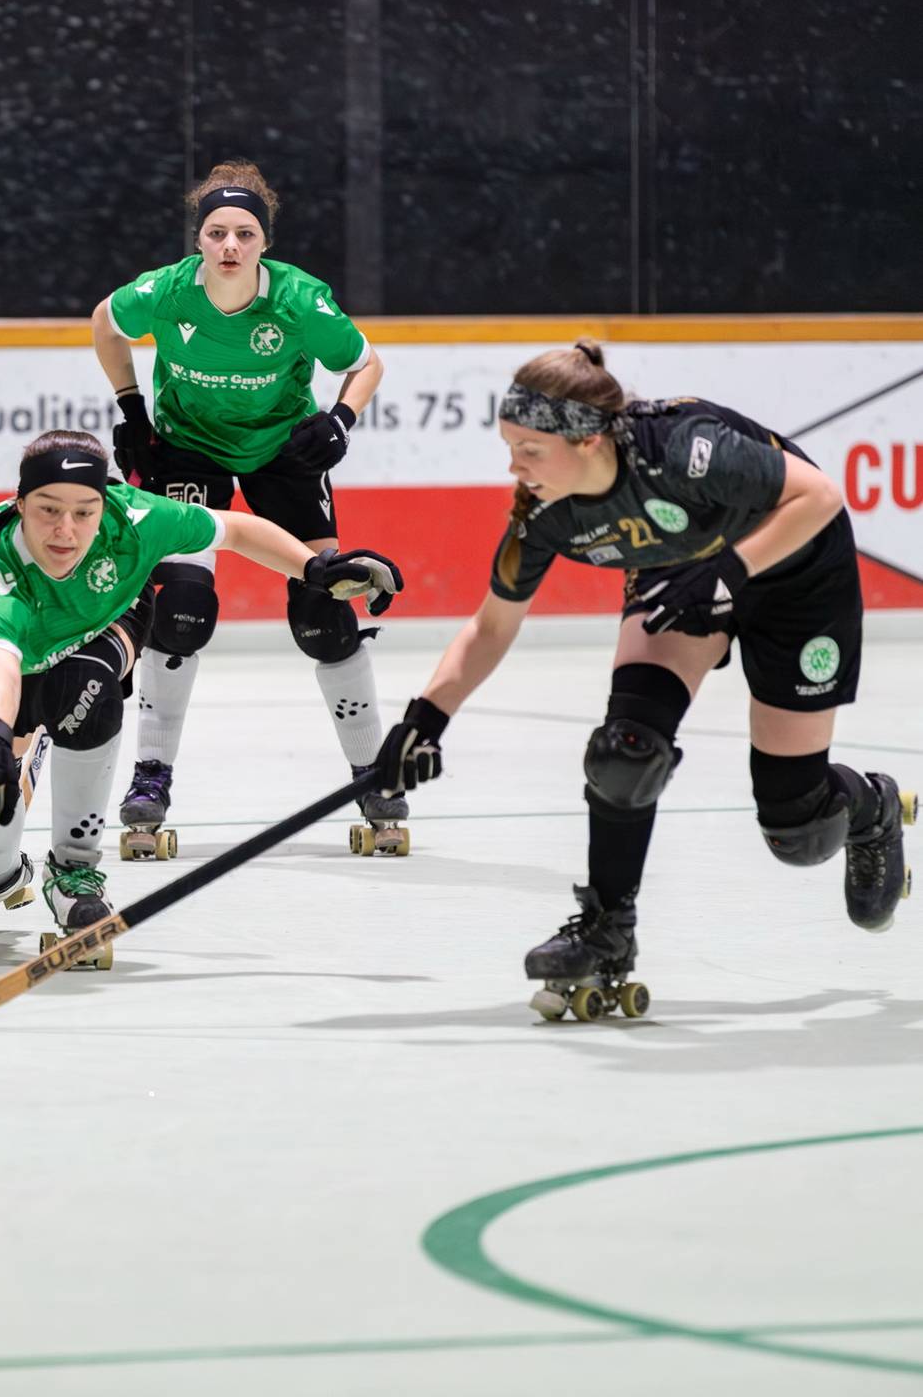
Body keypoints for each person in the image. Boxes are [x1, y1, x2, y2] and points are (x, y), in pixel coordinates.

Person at [374, 340, 915, 1022]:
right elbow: (490, 627)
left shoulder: (683, 447)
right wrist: (424, 720)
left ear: (591, 440)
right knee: (625, 750)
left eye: (531, 450)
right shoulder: (542, 516)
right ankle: (607, 927)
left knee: (798, 828)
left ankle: (871, 808)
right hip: (680, 573)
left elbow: (820, 496)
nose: (515, 468)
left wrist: (727, 575)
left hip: (798, 575)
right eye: (509, 448)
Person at [0, 429, 403, 961]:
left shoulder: (136, 519)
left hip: (102, 622)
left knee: (86, 690)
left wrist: (315, 569)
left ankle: (74, 873)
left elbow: (234, 529)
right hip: (3, 655)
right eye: (48, 510)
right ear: (20, 503)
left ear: (105, 504)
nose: (66, 530)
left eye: (84, 512)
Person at [92, 160, 400, 857]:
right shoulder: (167, 291)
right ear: (199, 239)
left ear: (265, 242)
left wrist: (341, 420)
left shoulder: (299, 300)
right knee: (181, 610)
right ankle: (150, 777)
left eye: (245, 234)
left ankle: (373, 774)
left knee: (325, 612)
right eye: (216, 233)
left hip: (281, 451)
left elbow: (367, 362)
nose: (230, 245)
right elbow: (104, 323)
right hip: (186, 450)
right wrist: (131, 407)